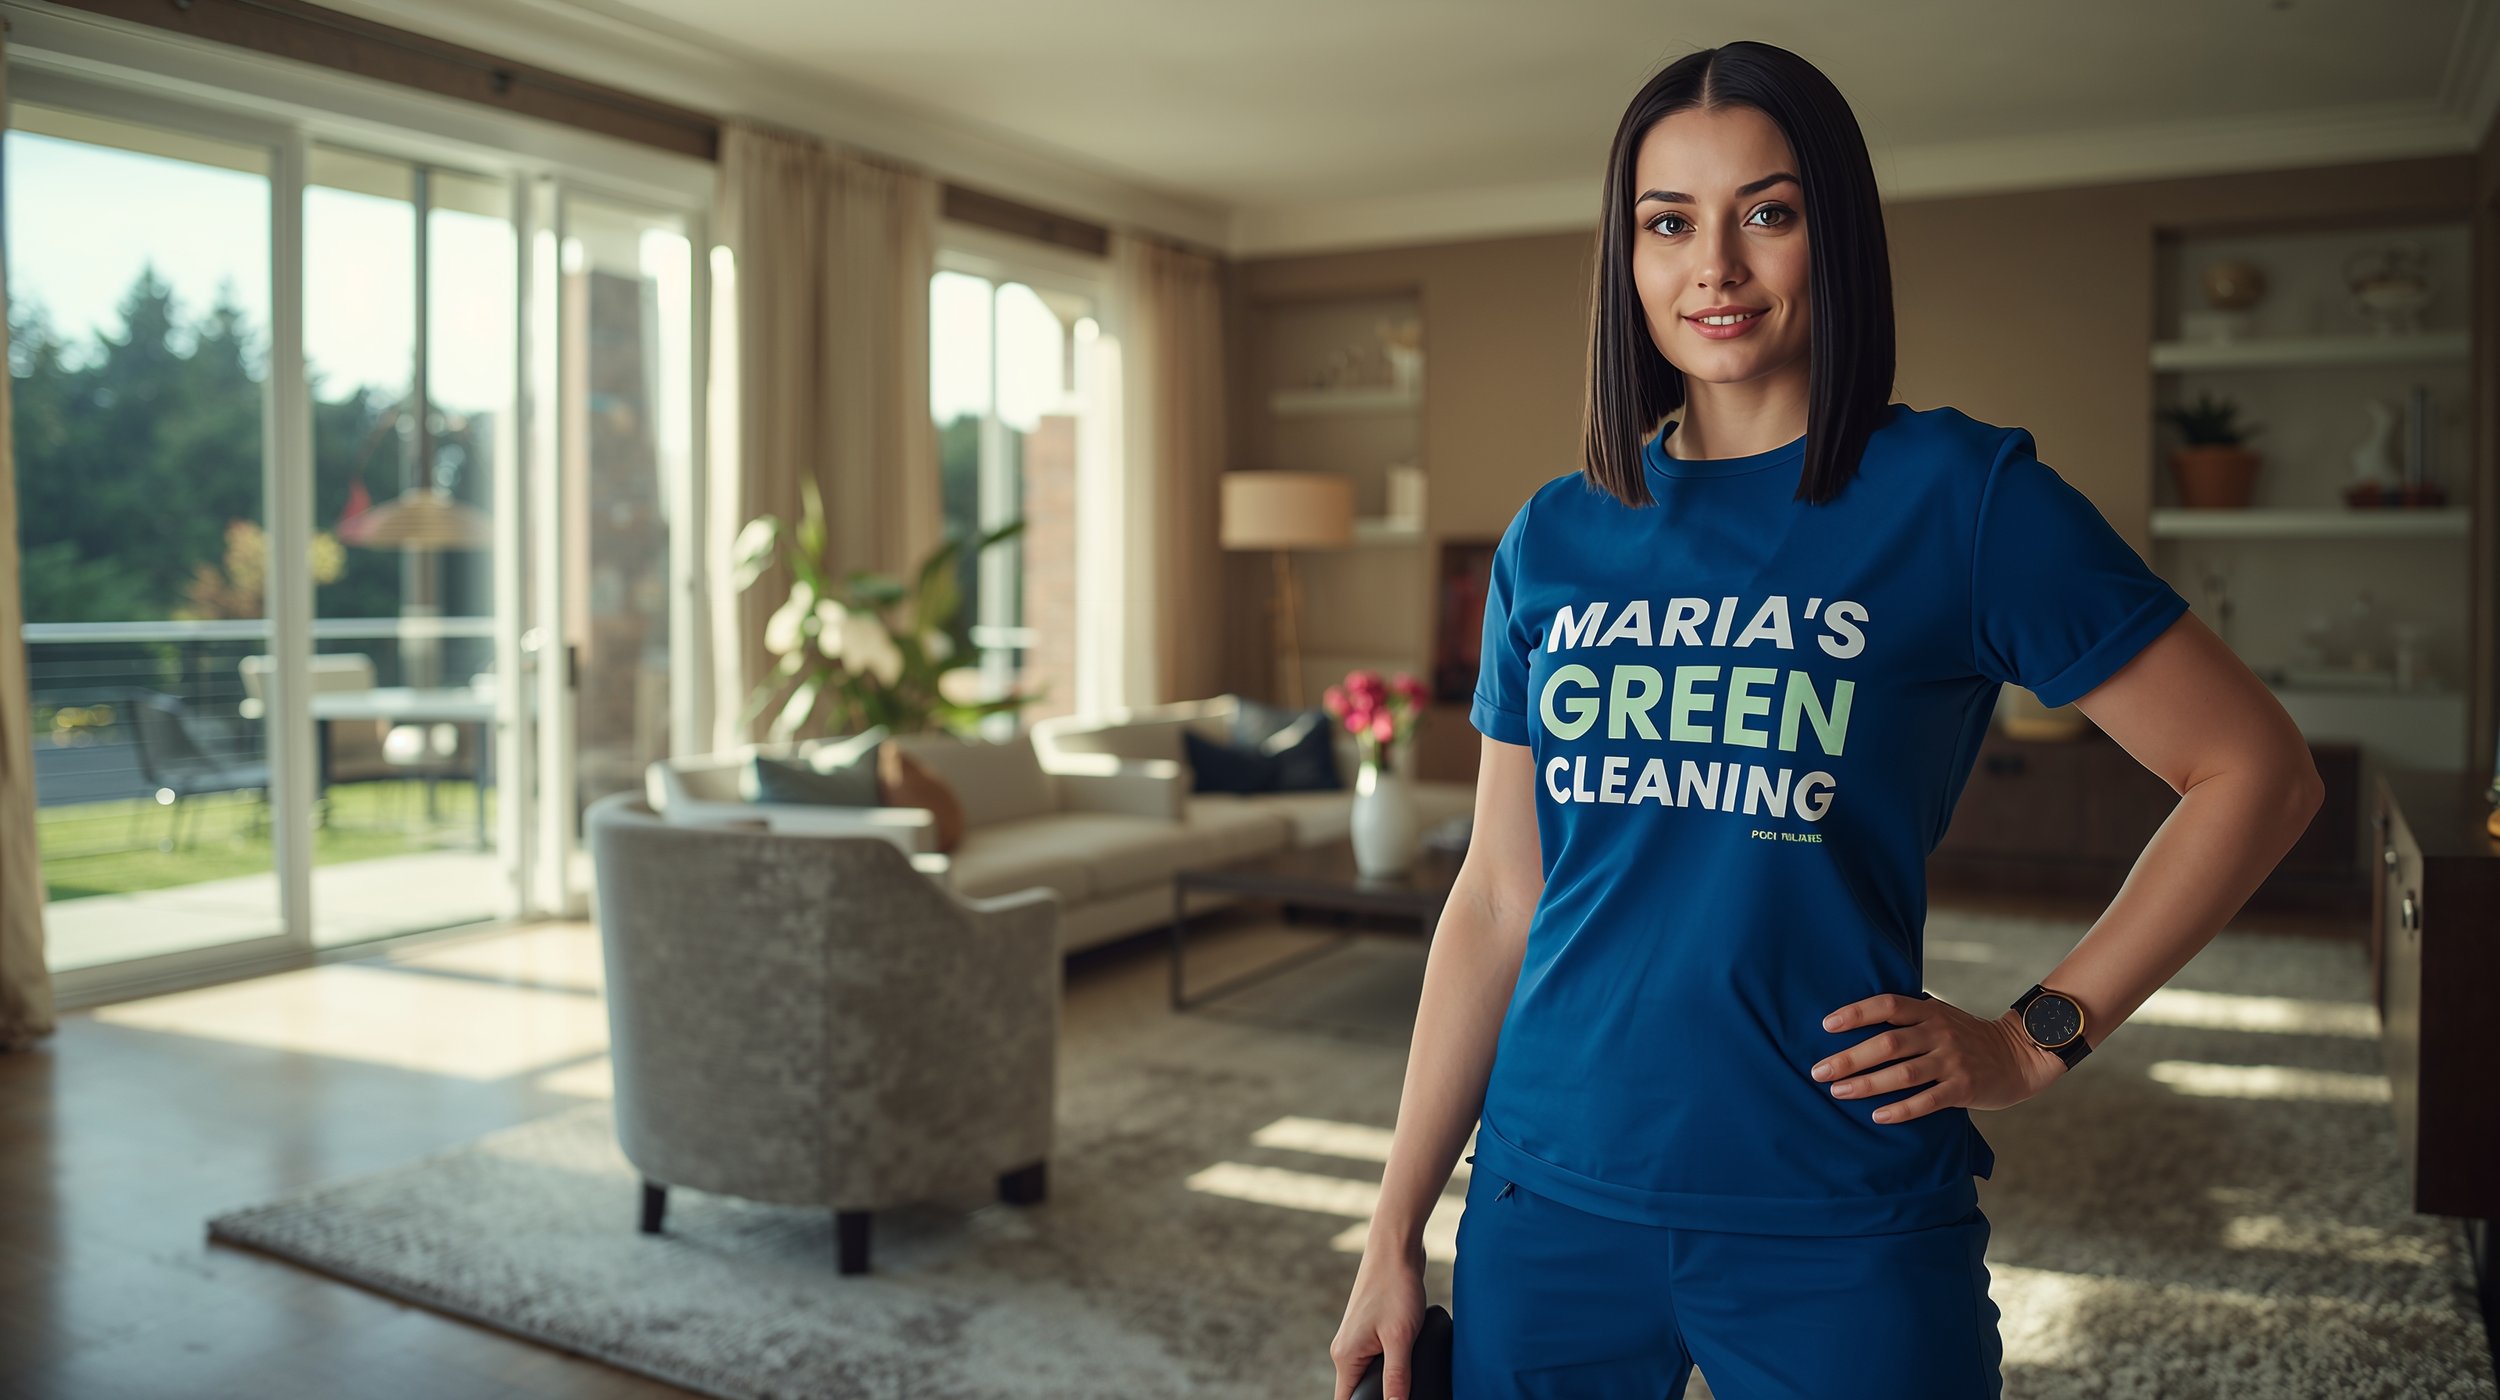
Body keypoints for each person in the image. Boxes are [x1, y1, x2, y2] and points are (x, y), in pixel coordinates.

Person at [1327, 39, 2326, 1400]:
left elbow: (2257, 772)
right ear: (1627, 259)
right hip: (1545, 1194)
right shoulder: (1553, 539)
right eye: (1668, 223)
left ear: (1833, 235)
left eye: (1768, 213)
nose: (1714, 267)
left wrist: (2035, 1040)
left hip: (1837, 1207)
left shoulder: (1962, 499)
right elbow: (1501, 898)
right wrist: (1394, 1225)